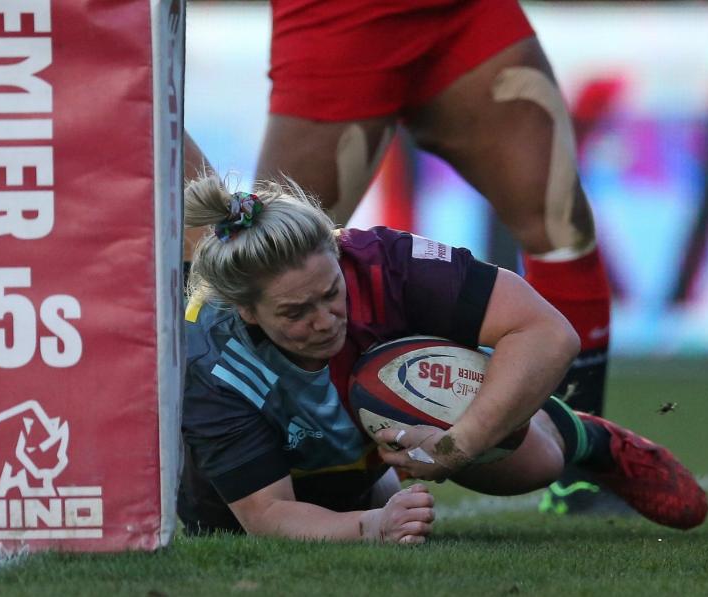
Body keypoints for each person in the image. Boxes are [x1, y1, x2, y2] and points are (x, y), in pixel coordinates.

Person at [178, 174, 707, 542]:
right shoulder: (212, 363)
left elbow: (548, 332)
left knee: (534, 464)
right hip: (247, 502)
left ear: (339, 256)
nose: (325, 320)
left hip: (369, 448)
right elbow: (267, 515)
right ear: (247, 311)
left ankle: (590, 439)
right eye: (296, 312)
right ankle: (378, 491)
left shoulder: (383, 262)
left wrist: (460, 443)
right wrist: (373, 528)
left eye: (330, 292)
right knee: (336, 513)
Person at [251, 0, 617, 514]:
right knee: (274, 260)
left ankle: (584, 469)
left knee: (562, 225)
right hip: (340, 16)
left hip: (460, 11)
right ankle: (269, 472)